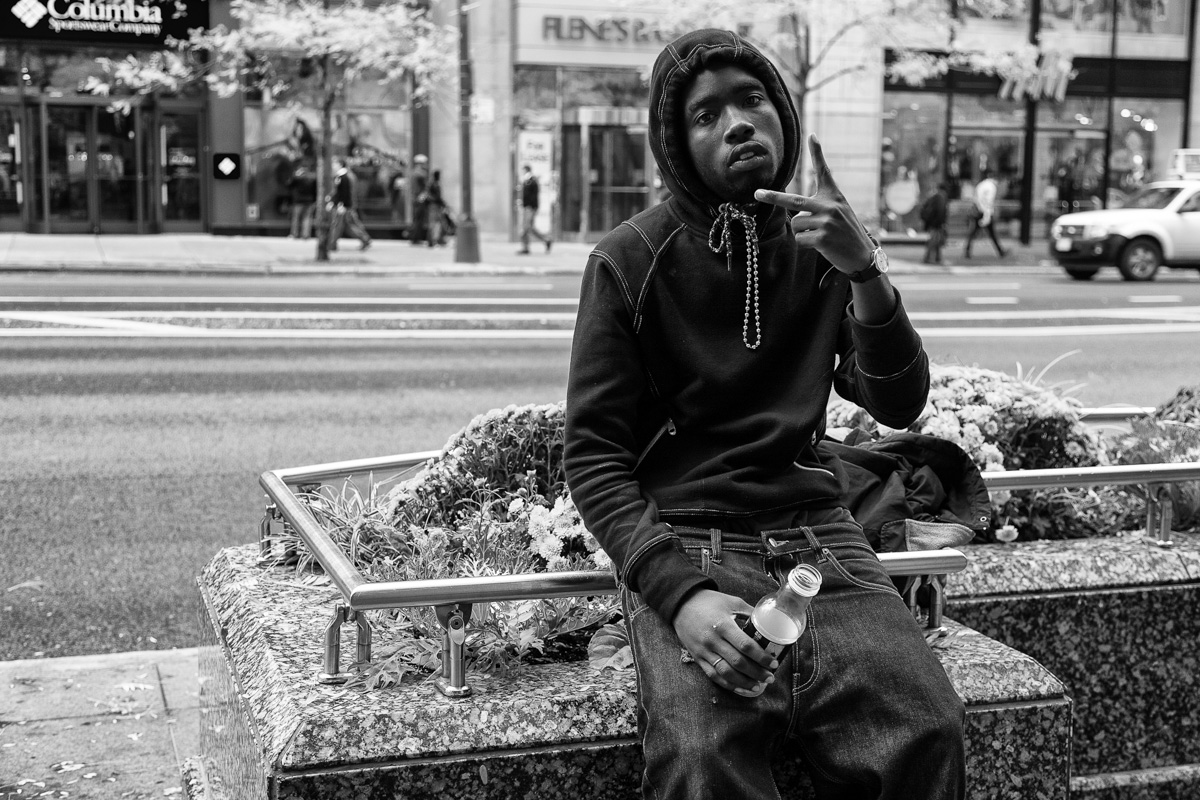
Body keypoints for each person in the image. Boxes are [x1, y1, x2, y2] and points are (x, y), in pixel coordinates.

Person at [563, 28, 965, 800]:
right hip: (690, 536)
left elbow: (899, 402)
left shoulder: (825, 243)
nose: (738, 123)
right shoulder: (628, 260)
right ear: (675, 145)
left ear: (782, 111)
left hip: (821, 536)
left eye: (751, 100)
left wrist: (866, 271)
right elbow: (592, 456)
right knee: (703, 754)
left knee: (928, 728)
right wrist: (681, 596)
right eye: (705, 115)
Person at [328, 159, 371, 251]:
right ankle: (364, 239)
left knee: (340, 225)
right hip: (347, 205)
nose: (333, 166)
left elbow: (343, 192)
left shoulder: (343, 177)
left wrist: (340, 204)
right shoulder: (348, 176)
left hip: (344, 205)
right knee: (347, 224)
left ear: (340, 164)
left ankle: (332, 244)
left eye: (334, 163)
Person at [964, 169, 1007, 259]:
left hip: (978, 210)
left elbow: (976, 198)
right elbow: (988, 202)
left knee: (974, 232)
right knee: (991, 233)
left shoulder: (981, 184)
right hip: (984, 212)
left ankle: (967, 250)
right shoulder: (991, 187)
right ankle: (1000, 251)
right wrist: (987, 215)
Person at [517, 164, 552, 254]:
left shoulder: (532, 181)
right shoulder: (526, 180)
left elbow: (532, 196)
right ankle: (546, 240)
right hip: (527, 207)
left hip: (529, 207)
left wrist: (530, 206)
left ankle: (526, 247)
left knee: (525, 228)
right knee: (529, 228)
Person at [918, 181, 950, 264]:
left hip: (933, 223)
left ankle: (937, 258)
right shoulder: (940, 198)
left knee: (936, 241)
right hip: (936, 223)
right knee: (934, 241)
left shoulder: (936, 197)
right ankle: (929, 258)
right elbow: (940, 211)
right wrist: (941, 223)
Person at [286, 165, 317, 239]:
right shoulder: (311, 180)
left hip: (298, 201)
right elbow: (315, 191)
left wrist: (295, 175)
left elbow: (289, 185)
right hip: (309, 201)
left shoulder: (297, 179)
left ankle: (294, 234)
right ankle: (306, 235)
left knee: (296, 218)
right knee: (307, 218)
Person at [408, 154, 431, 245]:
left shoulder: (413, 172)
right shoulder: (421, 174)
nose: (426, 165)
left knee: (416, 218)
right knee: (419, 219)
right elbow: (426, 187)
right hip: (420, 198)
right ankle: (415, 238)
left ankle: (414, 237)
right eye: (425, 163)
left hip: (415, 198)